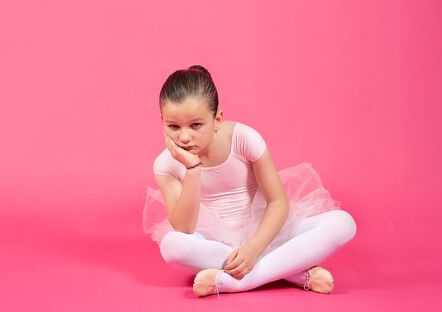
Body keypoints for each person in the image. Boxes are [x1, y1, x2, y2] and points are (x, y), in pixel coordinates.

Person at [143, 65, 357, 297]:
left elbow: (278, 202)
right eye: (173, 127)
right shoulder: (165, 165)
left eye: (196, 125)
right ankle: (292, 271)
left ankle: (242, 281)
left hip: (264, 232)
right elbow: (184, 228)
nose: (184, 137)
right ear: (162, 120)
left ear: (217, 119)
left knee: (343, 223)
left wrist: (253, 249)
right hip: (212, 241)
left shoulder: (244, 139)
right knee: (171, 246)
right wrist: (192, 168)